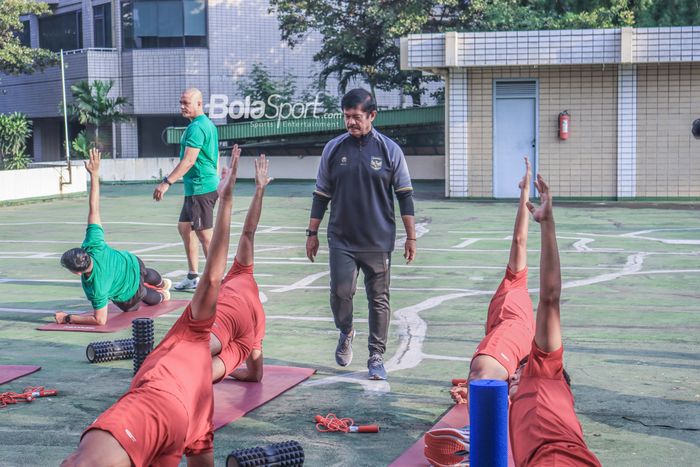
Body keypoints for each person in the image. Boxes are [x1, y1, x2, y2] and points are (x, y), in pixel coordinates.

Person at [61, 146, 240, 467]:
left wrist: (225, 202)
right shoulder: (204, 413)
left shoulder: (193, 332)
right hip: (175, 428)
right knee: (155, 287)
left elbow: (212, 279)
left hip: (147, 410)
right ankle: (159, 288)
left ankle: (157, 291)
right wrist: (225, 201)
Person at [424, 158, 535, 466]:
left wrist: (524, 193)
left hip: (512, 336)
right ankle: (485, 426)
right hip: (521, 346)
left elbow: (520, 240)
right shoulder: (521, 302)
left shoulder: (516, 282)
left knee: (482, 375)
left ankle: (475, 435)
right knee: (483, 381)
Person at [305, 88, 416, 380]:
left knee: (378, 298)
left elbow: (405, 195)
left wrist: (411, 237)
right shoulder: (333, 149)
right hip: (341, 238)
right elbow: (321, 194)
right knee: (341, 291)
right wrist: (312, 232)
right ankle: (346, 330)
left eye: (356, 117)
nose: (351, 122)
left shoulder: (390, 150)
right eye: (346, 117)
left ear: (372, 115)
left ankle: (376, 356)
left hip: (378, 240)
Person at [508, 173, 601, 466]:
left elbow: (550, 297)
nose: (511, 375)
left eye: (517, 372)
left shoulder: (543, 371)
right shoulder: (543, 374)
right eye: (516, 370)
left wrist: (547, 224)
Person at [56, 149, 171, 326]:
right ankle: (162, 282)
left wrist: (67, 318)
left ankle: (163, 295)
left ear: (77, 272)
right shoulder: (93, 244)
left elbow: (99, 320)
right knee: (145, 272)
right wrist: (94, 174)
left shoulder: (96, 287)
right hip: (131, 262)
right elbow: (94, 207)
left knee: (143, 296)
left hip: (129, 292)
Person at [210, 154, 271, 383]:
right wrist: (230, 369)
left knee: (194, 352)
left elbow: (248, 232)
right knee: (201, 371)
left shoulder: (241, 271)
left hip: (230, 312)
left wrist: (259, 189)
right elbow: (256, 375)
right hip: (245, 337)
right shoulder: (259, 328)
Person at [153, 87, 220, 291]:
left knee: (205, 236)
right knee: (185, 228)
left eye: (186, 103)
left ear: (199, 104)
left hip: (202, 188)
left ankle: (215, 282)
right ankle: (193, 277)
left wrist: (166, 182)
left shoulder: (197, 127)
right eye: (181, 102)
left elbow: (189, 160)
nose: (182, 106)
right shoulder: (201, 124)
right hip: (194, 189)